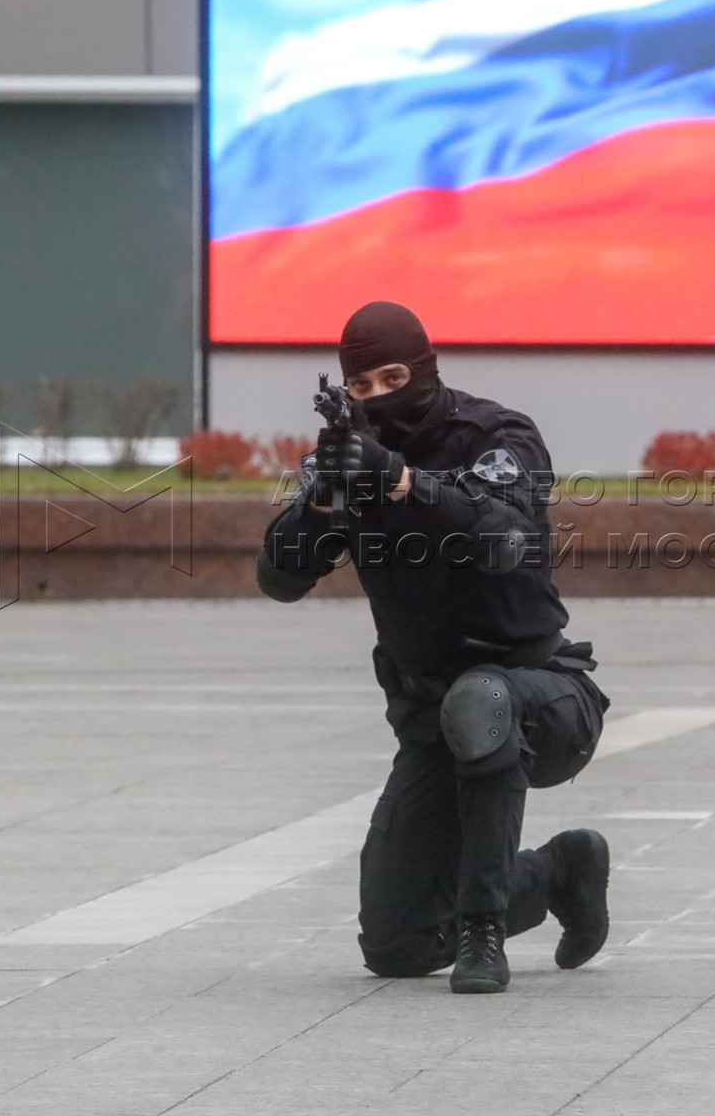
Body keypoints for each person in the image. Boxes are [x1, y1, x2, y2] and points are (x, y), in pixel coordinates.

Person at [256, 300, 612, 994]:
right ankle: (557, 874)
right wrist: (323, 501)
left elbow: (504, 538)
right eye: (361, 388)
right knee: (396, 943)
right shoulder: (347, 462)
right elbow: (280, 580)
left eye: (393, 377)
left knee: (481, 698)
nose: (380, 398)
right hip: (433, 724)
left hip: (543, 696)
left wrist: (401, 480)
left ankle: (485, 932)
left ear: (424, 367)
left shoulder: (497, 435)